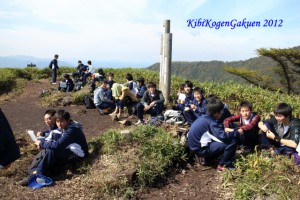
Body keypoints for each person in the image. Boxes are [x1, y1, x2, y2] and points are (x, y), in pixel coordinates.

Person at [18, 110, 88, 186]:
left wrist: (41, 143)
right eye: (57, 121)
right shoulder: (65, 126)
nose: (59, 124)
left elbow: (57, 145)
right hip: (71, 150)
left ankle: (36, 175)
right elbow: (53, 133)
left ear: (68, 120)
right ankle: (33, 172)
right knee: (47, 149)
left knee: (52, 150)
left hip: (78, 155)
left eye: (62, 121)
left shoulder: (72, 130)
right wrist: (43, 139)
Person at [188, 97, 243, 171]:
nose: (221, 114)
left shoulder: (204, 117)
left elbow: (217, 133)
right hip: (200, 149)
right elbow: (223, 136)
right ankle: (224, 164)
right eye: (221, 112)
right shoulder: (212, 122)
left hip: (195, 147)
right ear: (216, 113)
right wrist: (237, 132)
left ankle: (207, 159)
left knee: (223, 141)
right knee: (231, 141)